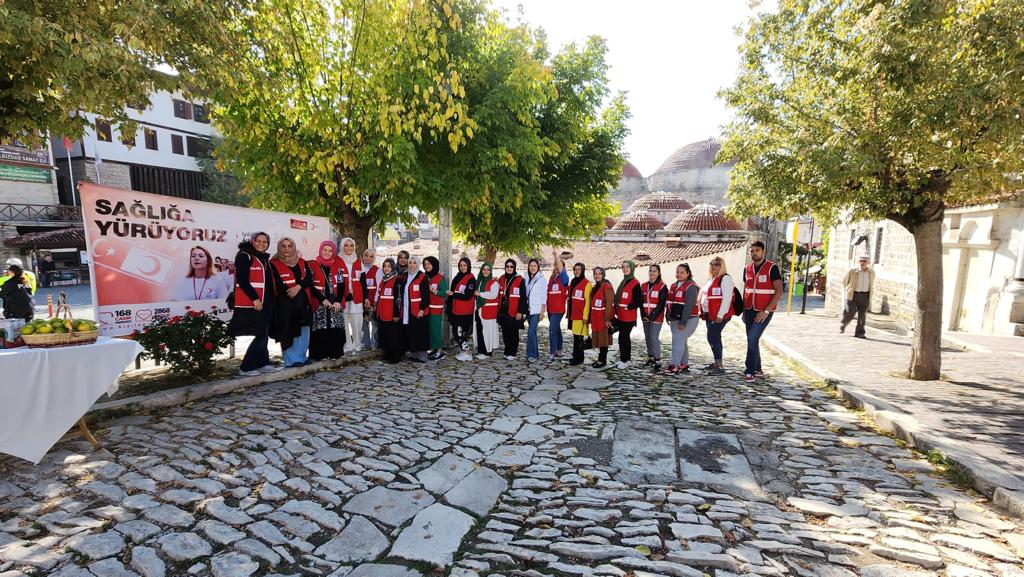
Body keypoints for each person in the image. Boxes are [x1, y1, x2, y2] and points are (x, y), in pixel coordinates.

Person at [227, 232, 282, 376]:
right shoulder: (244, 256)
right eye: (259, 241)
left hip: (267, 301)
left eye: (265, 242)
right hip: (254, 302)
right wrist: (255, 299)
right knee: (260, 333)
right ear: (252, 241)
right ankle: (247, 367)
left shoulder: (263, 258)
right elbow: (242, 280)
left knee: (264, 333)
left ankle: (262, 363)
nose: (262, 244)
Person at [269, 238, 315, 367]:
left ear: (293, 247)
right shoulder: (273, 264)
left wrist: (298, 287)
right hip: (285, 302)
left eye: (289, 246)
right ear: (279, 248)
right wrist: (289, 291)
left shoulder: (302, 262)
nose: (286, 248)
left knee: (304, 329)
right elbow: (275, 282)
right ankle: (291, 360)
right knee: (288, 330)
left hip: (302, 302)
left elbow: (309, 278)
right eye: (283, 246)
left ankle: (302, 357)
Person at [742, 241, 783, 381]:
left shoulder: (772, 268)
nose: (754, 253)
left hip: (764, 311)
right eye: (752, 251)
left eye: (757, 250)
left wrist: (766, 310)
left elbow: (779, 291)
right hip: (749, 310)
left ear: (763, 251)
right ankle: (758, 368)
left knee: (752, 338)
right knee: (752, 340)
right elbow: (746, 290)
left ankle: (750, 371)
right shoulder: (747, 269)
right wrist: (744, 311)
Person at [308, 240, 348, 361]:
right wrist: (322, 299)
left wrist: (338, 301)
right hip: (320, 302)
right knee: (321, 327)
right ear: (320, 250)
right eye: (325, 250)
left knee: (335, 326)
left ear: (333, 252)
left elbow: (341, 285)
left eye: (330, 251)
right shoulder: (313, 265)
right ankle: (320, 354)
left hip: (335, 302)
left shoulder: (337, 266)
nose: (327, 252)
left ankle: (334, 353)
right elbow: (310, 285)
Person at [698, 257, 734, 376]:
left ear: (722, 266)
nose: (713, 266)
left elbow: (727, 299)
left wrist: (720, 314)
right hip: (709, 314)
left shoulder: (725, 279)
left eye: (717, 264)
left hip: (719, 315)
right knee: (714, 337)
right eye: (712, 264)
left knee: (712, 337)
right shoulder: (711, 279)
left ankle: (719, 366)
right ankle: (717, 362)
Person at [665, 263, 700, 374]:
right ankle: (683, 364)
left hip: (689, 319)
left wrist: (683, 322)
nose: (679, 274)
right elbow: (670, 302)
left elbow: (689, 306)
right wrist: (667, 315)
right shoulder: (674, 285)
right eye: (677, 272)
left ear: (688, 273)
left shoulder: (691, 287)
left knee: (677, 340)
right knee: (682, 341)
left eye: (682, 272)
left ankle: (674, 365)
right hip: (675, 319)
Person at [612, 260, 643, 369]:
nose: (625, 269)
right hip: (621, 315)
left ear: (632, 268)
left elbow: (639, 301)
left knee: (622, 338)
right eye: (623, 267)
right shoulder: (624, 281)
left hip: (628, 316)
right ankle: (627, 359)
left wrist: (628, 307)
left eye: (627, 267)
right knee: (625, 337)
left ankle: (623, 360)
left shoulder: (635, 283)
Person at [399, 256, 431, 362]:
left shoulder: (422, 277)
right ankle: (414, 354)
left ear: (418, 264)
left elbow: (426, 296)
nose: (412, 265)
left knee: (420, 333)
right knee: (411, 332)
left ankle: (422, 356)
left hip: (418, 310)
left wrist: (421, 309)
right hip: (407, 309)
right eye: (410, 263)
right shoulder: (405, 276)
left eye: (414, 263)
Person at [446, 257, 477, 361]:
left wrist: (453, 294)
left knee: (459, 332)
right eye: (461, 265)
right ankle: (464, 351)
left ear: (468, 266)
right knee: (457, 331)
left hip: (465, 311)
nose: (462, 267)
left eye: (465, 265)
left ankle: (467, 352)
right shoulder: (457, 277)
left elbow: (468, 295)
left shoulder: (471, 279)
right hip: (456, 309)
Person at [338, 237, 365, 352]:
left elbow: (363, 281)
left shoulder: (358, 261)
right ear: (342, 246)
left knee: (357, 320)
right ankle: (347, 344)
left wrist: (365, 297)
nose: (348, 248)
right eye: (346, 245)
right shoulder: (337, 260)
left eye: (351, 245)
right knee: (343, 320)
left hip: (356, 295)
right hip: (342, 295)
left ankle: (357, 344)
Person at [640, 264, 669, 372]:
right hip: (645, 317)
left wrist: (651, 316)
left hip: (656, 317)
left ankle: (658, 360)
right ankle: (651, 357)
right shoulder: (643, 286)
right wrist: (643, 315)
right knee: (648, 337)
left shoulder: (662, 286)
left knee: (653, 337)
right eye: (650, 270)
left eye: (654, 271)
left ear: (659, 273)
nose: (652, 273)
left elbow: (661, 304)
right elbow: (641, 302)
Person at [497, 259, 528, 360]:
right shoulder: (502, 278)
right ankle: (507, 351)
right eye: (507, 266)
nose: (509, 268)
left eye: (511, 266)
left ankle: (512, 352)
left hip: (514, 311)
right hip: (503, 310)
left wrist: (520, 312)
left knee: (513, 333)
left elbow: (523, 298)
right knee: (505, 332)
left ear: (514, 268)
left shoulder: (520, 280)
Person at [375, 258, 404, 363]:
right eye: (384, 266)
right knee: (385, 335)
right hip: (383, 313)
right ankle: (387, 354)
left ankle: (395, 357)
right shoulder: (384, 279)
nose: (386, 268)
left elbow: (398, 298)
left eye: (389, 266)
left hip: (392, 314)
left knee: (393, 336)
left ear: (393, 267)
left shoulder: (397, 280)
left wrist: (397, 314)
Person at [841, 254, 874, 339]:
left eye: (864, 261)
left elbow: (872, 284)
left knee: (862, 316)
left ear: (868, 263)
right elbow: (844, 282)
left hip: (865, 295)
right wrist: (847, 291)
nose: (862, 263)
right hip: (853, 294)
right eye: (860, 261)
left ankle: (860, 333)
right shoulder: (852, 271)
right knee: (850, 312)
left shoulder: (871, 272)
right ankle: (844, 324)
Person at [589, 267, 615, 368]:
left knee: (604, 340)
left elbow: (609, 304)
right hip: (596, 318)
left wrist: (607, 319)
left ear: (603, 275)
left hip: (603, 318)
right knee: (600, 340)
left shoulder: (607, 286)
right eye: (595, 274)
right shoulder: (596, 286)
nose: (597, 276)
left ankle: (602, 361)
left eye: (599, 273)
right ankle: (600, 359)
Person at [546, 251, 570, 361]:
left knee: (552, 330)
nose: (556, 267)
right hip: (550, 310)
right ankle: (559, 349)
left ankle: (552, 353)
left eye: (558, 265)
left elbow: (561, 269)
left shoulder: (564, 278)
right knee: (557, 329)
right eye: (555, 264)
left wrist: (557, 257)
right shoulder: (552, 278)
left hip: (558, 310)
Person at [423, 256, 448, 360]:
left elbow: (445, 292)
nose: (427, 266)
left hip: (435, 308)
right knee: (429, 329)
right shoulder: (424, 277)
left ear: (434, 264)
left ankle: (439, 351)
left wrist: (435, 291)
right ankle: (433, 348)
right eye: (425, 264)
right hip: (425, 308)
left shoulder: (440, 278)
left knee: (435, 329)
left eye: (429, 264)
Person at [567, 262, 591, 366]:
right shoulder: (573, 282)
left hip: (581, 316)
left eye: (579, 269)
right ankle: (578, 357)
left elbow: (588, 302)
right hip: (573, 314)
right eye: (575, 269)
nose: (577, 271)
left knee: (579, 337)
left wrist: (585, 316)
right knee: (575, 336)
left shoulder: (587, 284)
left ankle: (578, 358)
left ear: (583, 270)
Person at [524, 258, 546, 363]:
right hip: (528, 309)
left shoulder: (541, 280)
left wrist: (542, 312)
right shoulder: (526, 278)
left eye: (535, 266)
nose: (533, 268)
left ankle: (531, 354)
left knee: (531, 331)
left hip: (537, 310)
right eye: (531, 266)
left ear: (538, 267)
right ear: (528, 267)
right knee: (533, 332)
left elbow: (544, 297)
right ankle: (535, 353)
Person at [474, 262, 499, 358]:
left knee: (487, 332)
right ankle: (481, 350)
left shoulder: (494, 282)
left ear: (491, 271)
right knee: (480, 330)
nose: (486, 271)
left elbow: (493, 295)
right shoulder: (480, 281)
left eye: (488, 269)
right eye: (484, 269)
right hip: (479, 309)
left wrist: (480, 294)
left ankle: (487, 352)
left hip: (488, 311)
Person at [360, 249, 382, 350]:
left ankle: (375, 343)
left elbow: (379, 287)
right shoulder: (360, 269)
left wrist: (376, 301)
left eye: (371, 256)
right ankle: (365, 343)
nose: (368, 258)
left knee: (374, 324)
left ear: (374, 258)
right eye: (366, 255)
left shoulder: (377, 270)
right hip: (362, 302)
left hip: (373, 302)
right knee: (363, 323)